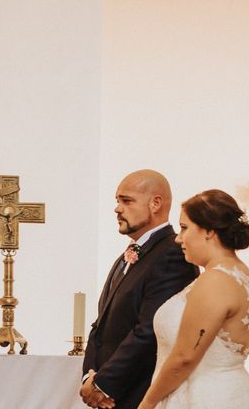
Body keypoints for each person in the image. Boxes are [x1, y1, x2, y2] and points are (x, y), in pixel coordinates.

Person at [80, 170, 199, 409]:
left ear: (155, 203)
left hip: (139, 392)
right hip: (112, 393)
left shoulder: (173, 254)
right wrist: (89, 376)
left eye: (126, 201)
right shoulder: (125, 257)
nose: (117, 209)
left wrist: (104, 384)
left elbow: (149, 331)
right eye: (117, 201)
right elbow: (100, 326)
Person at [138, 189, 249, 409]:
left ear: (209, 231)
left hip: (206, 398)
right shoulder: (237, 272)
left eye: (184, 228)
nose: (178, 238)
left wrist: (148, 402)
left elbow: (185, 357)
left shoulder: (215, 280)